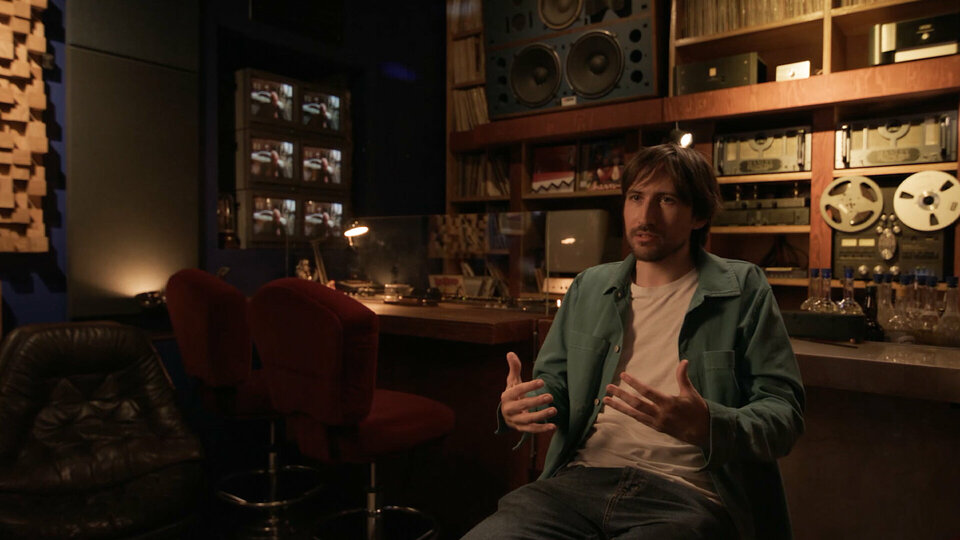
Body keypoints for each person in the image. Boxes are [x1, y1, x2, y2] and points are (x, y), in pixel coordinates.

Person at [463, 144, 805, 540]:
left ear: (698, 215)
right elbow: (556, 386)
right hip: (580, 482)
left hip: (687, 495)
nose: (646, 216)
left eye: (667, 199)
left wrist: (709, 424)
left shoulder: (742, 287)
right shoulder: (590, 286)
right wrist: (525, 405)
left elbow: (784, 415)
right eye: (636, 197)